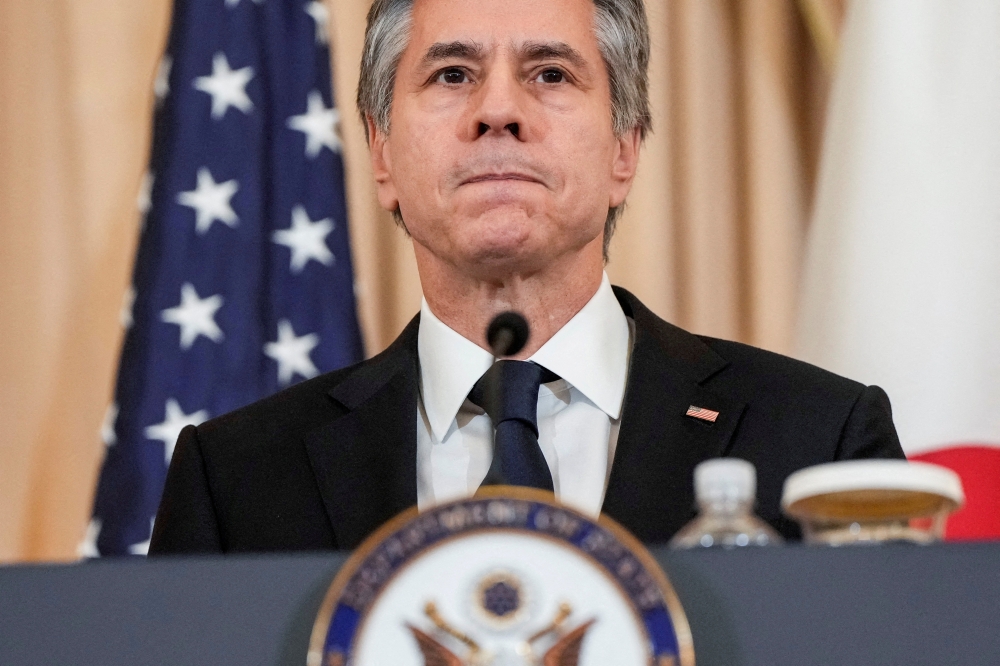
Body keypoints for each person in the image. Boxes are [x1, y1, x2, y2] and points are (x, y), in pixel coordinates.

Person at [149, 0, 903, 554]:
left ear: (625, 149)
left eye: (550, 73)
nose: (498, 111)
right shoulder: (236, 481)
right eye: (452, 74)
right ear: (381, 155)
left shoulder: (821, 440)